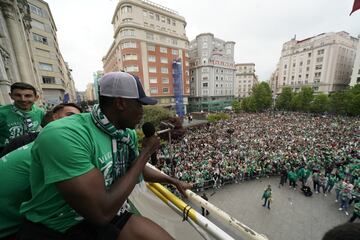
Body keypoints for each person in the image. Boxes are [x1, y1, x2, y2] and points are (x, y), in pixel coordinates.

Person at [18, 72, 192, 240]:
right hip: (57, 226)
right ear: (121, 103)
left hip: (105, 215)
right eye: (139, 104)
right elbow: (101, 213)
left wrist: (173, 181)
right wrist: (146, 152)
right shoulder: (64, 135)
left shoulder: (126, 134)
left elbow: (135, 168)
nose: (142, 111)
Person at [0, 103, 82, 240]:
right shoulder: (57, 147)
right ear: (53, 118)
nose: (77, 122)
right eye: (70, 116)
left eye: (80, 119)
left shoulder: (41, 143)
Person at [0, 82, 44, 153]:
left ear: (36, 98)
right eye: (18, 95)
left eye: (28, 96)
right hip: (5, 153)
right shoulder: (2, 113)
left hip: (29, 151)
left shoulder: (40, 112)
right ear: (11, 96)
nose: (23, 99)